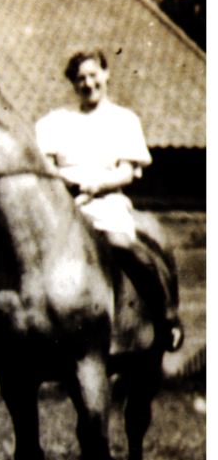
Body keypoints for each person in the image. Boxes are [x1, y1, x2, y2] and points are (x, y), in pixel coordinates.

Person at [35, 50, 183, 351]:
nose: (88, 84)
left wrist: (96, 185)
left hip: (105, 201)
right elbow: (46, 164)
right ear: (73, 84)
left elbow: (128, 172)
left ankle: (166, 317)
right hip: (65, 204)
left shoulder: (123, 120)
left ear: (106, 74)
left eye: (93, 75)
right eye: (80, 79)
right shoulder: (58, 121)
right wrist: (63, 182)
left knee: (121, 245)